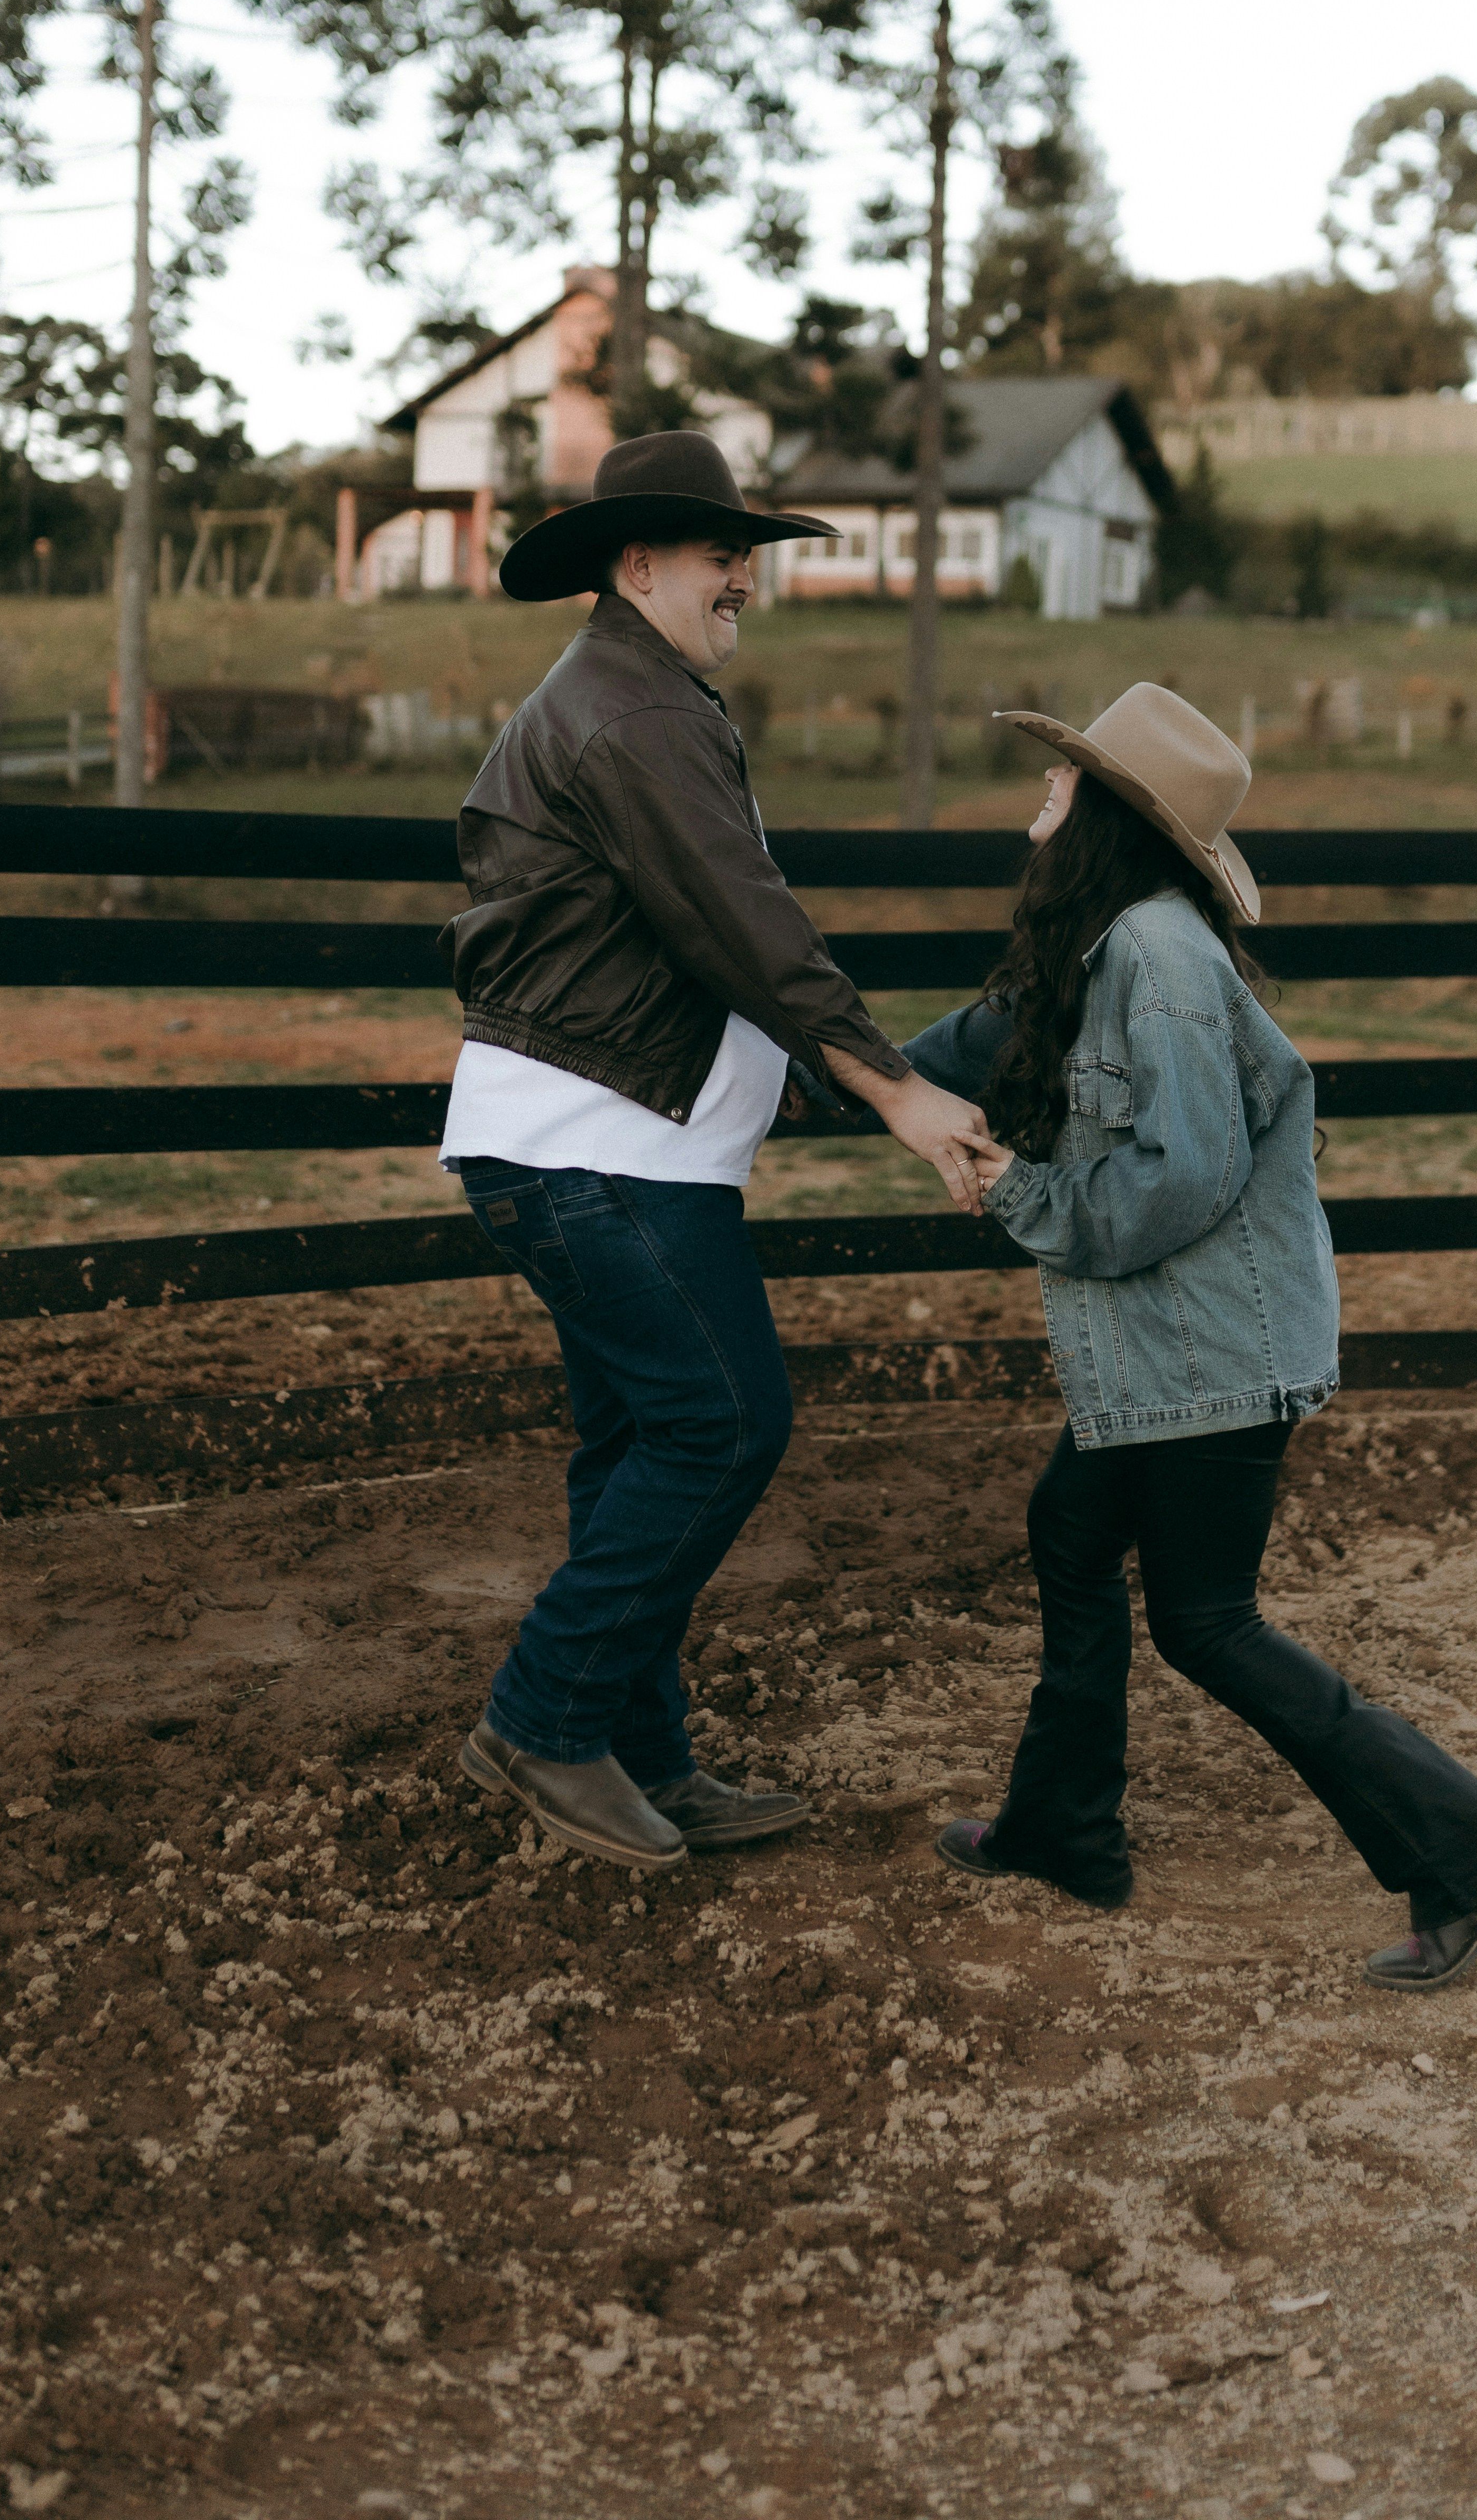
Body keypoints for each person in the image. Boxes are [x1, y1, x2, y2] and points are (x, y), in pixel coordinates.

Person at [913, 683, 1477, 1993]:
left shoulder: (1159, 958)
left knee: (1209, 1623)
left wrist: (1018, 1193)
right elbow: (976, 1042)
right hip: (1171, 1352)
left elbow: (1184, 1175)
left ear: (1110, 816)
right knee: (1073, 1535)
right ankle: (1063, 1831)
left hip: (1215, 1350)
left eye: (1066, 778)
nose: (1044, 792)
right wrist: (828, 1064)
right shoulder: (1101, 946)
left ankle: (1470, 1851)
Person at [441, 429, 993, 1879]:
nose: (744, 576)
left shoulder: (638, 698)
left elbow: (684, 944)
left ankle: (640, 1756)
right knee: (726, 1425)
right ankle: (543, 1720)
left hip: (606, 1145)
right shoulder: (632, 712)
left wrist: (802, 1076)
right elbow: (744, 923)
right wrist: (891, 1089)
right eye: (718, 550)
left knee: (637, 1443)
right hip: (597, 1153)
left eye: (748, 551)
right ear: (637, 565)